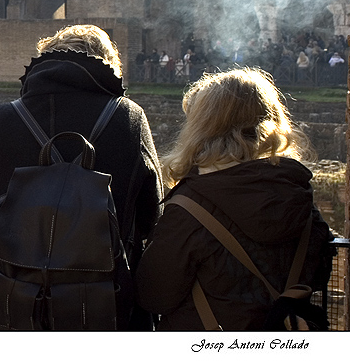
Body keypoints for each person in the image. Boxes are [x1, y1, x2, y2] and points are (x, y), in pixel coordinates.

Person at [0, 24, 164, 330]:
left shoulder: (0, 120)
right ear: (107, 65)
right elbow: (152, 213)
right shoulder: (128, 117)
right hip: (103, 301)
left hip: (16, 296)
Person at [135, 68, 333, 330]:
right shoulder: (296, 194)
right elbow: (317, 274)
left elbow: (154, 296)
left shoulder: (190, 206)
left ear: (202, 128)